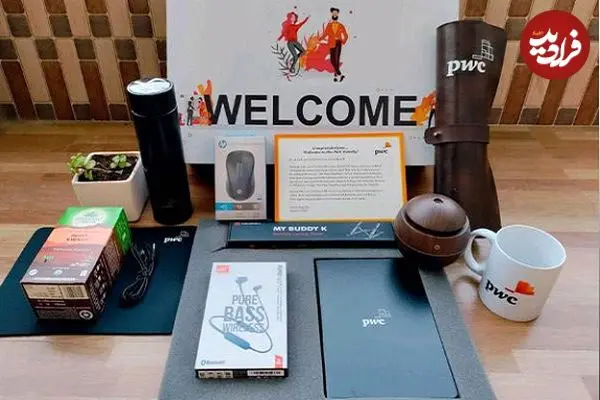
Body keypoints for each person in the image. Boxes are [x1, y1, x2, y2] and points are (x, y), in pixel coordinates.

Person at [320, 7, 348, 82]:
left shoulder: (341, 25)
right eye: (333, 13)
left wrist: (343, 41)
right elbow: (325, 34)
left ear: (337, 14)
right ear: (332, 14)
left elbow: (345, 34)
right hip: (331, 43)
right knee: (332, 59)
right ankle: (339, 73)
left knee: (337, 59)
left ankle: (337, 74)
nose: (334, 14)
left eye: (336, 13)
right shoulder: (329, 25)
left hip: (338, 42)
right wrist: (319, 39)